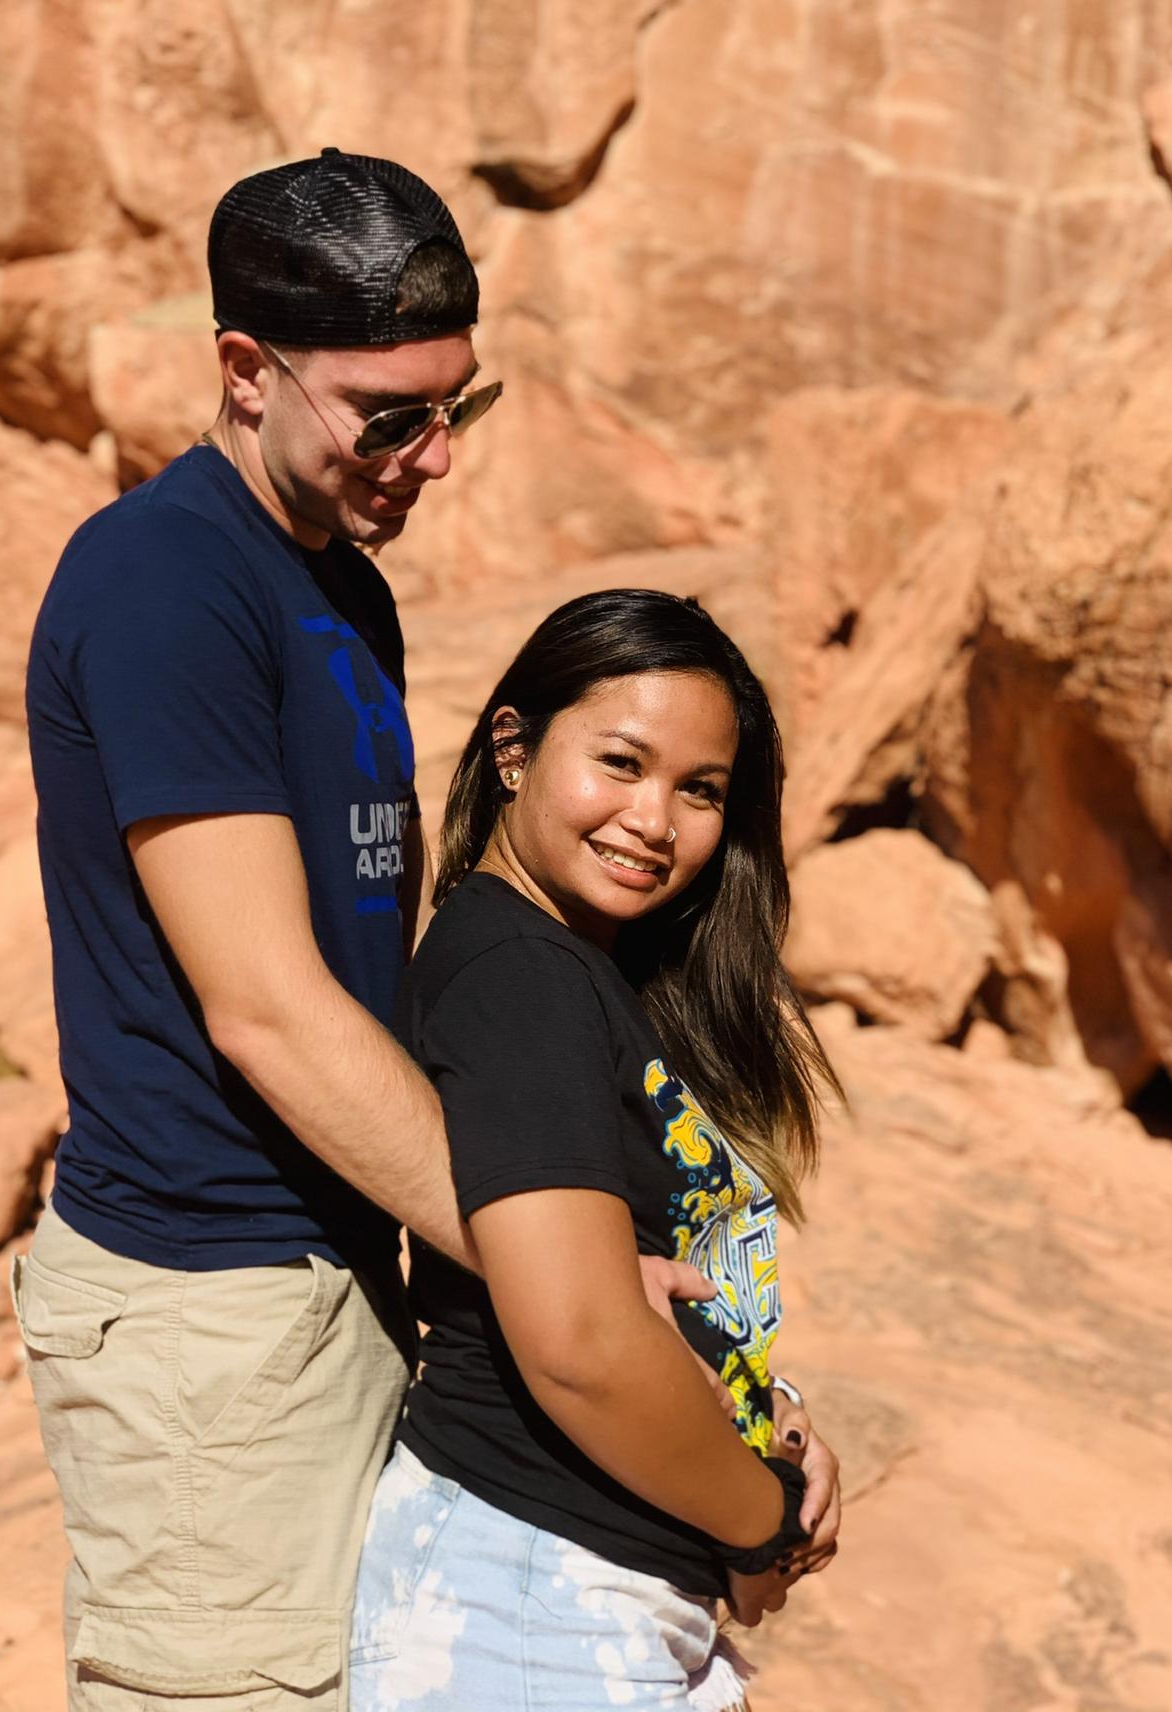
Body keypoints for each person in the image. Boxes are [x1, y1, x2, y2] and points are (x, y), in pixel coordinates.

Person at [16, 152, 743, 1711]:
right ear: (244, 370)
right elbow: (267, 1007)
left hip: (337, 1270)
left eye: (454, 410)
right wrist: (563, 1272)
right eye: (387, 415)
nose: (429, 458)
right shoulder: (164, 582)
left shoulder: (339, 586)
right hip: (212, 1308)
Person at [350, 588, 845, 1711]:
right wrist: (758, 1518)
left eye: (700, 789)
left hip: (580, 1589)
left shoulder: (585, 971)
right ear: (514, 748)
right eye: (620, 761)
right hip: (527, 1590)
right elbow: (578, 1337)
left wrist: (772, 1426)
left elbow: (653, 1285)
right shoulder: (521, 975)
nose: (655, 819)